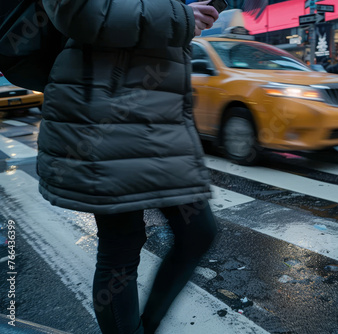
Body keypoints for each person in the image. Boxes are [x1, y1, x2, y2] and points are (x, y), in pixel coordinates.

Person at [37, 1, 220, 333]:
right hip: (108, 111)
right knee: (121, 247)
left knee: (198, 232)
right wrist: (181, 17)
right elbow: (78, 12)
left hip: (160, 113)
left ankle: (146, 327)